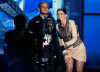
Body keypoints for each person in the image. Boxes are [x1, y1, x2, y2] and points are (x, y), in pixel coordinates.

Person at [27, 1, 57, 72]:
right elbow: (29, 36)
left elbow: (54, 34)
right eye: (43, 7)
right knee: (37, 69)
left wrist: (55, 49)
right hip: (37, 51)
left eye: (46, 7)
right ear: (39, 9)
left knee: (48, 69)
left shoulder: (51, 19)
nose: (45, 8)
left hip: (48, 51)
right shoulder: (33, 21)